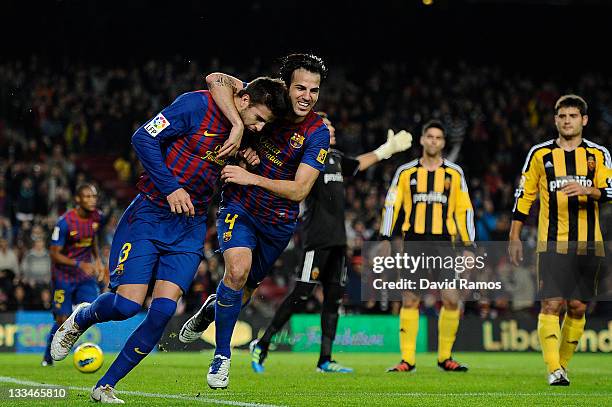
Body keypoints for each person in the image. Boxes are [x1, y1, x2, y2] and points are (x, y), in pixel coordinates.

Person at [51, 77, 288, 403]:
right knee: (126, 306)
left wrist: (247, 156)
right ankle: (83, 317)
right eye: (259, 119)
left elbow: (247, 113)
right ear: (244, 100)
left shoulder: (247, 131)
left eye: (265, 123)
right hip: (149, 215)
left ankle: (105, 386)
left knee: (162, 311)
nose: (260, 128)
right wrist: (171, 187)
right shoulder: (196, 105)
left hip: (189, 227)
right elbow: (142, 138)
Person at [179, 53, 332, 390]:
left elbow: (299, 190)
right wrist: (239, 129)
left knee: (244, 289)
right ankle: (221, 357)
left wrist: (254, 177)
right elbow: (215, 79)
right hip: (240, 207)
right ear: (286, 86)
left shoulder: (317, 132)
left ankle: (208, 312)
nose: (307, 96)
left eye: (315, 90)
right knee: (236, 271)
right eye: (301, 88)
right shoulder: (267, 99)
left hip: (278, 223)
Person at [248, 112, 412, 373]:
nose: (332, 130)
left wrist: (386, 150)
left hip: (338, 242)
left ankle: (325, 360)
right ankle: (263, 343)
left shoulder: (334, 158)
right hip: (316, 240)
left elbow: (358, 163)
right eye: (326, 127)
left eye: (332, 127)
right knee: (302, 294)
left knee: (334, 299)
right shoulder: (306, 160)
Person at [508, 94, 611, 386]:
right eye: (562, 116)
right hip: (552, 243)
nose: (567, 121)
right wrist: (514, 235)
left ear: (584, 120)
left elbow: (610, 189)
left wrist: (588, 189)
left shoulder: (598, 154)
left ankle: (561, 366)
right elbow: (524, 196)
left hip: (589, 244)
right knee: (551, 304)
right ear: (555, 120)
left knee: (577, 307)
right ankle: (554, 369)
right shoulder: (540, 154)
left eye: (573, 116)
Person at [380, 120, 475, 373]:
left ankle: (445, 357)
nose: (433, 141)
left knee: (451, 299)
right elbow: (392, 205)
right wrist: (386, 237)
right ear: (422, 140)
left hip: (445, 244)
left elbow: (464, 210)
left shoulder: (454, 173)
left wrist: (469, 246)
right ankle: (407, 360)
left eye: (438, 138)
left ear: (443, 143)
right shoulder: (406, 172)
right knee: (410, 299)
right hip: (414, 242)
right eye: (429, 137)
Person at [42, 184, 104, 367]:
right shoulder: (64, 222)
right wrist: (80, 264)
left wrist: (98, 260)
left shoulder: (97, 217)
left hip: (85, 277)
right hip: (63, 277)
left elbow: (93, 239)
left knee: (94, 310)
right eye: (87, 197)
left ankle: (79, 344)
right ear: (78, 199)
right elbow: (54, 254)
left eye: (94, 196)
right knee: (62, 320)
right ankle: (49, 356)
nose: (92, 200)